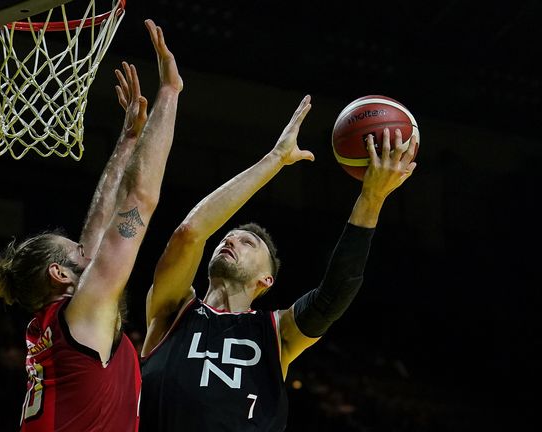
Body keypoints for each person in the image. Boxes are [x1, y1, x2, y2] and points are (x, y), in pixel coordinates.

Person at [138, 95, 418, 431]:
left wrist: (372, 197)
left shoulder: (274, 332)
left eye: (248, 242)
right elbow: (189, 234)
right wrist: (275, 159)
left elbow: (334, 294)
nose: (230, 240)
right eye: (228, 236)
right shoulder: (171, 311)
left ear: (266, 280)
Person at [0, 19, 183, 432]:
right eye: (76, 251)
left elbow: (97, 227)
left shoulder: (59, 326)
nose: (86, 249)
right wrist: (169, 94)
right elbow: (139, 200)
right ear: (59, 274)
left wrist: (128, 141)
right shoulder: (83, 314)